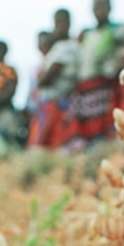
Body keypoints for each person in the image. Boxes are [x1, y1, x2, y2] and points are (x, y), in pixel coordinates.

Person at [70, 0, 122, 145]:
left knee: (104, 128)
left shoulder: (117, 30)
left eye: (103, 5)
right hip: (85, 89)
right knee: (86, 129)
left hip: (104, 88)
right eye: (97, 5)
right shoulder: (86, 34)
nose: (100, 9)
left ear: (110, 8)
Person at [30, 9, 79, 149]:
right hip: (49, 104)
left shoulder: (68, 47)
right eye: (56, 23)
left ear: (69, 23)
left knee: (50, 144)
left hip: (57, 104)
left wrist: (40, 81)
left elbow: (46, 78)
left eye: (62, 22)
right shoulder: (58, 47)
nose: (59, 27)